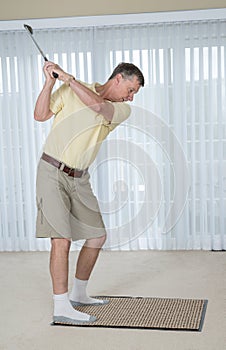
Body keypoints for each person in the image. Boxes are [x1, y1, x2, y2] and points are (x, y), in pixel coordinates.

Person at [34, 60, 144, 325]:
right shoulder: (72, 88)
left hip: (80, 178)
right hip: (52, 171)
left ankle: (79, 294)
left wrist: (69, 79)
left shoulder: (120, 109)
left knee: (96, 236)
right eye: (130, 89)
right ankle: (61, 306)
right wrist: (51, 82)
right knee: (61, 239)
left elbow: (97, 106)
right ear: (118, 78)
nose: (131, 97)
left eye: (134, 94)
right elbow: (40, 115)